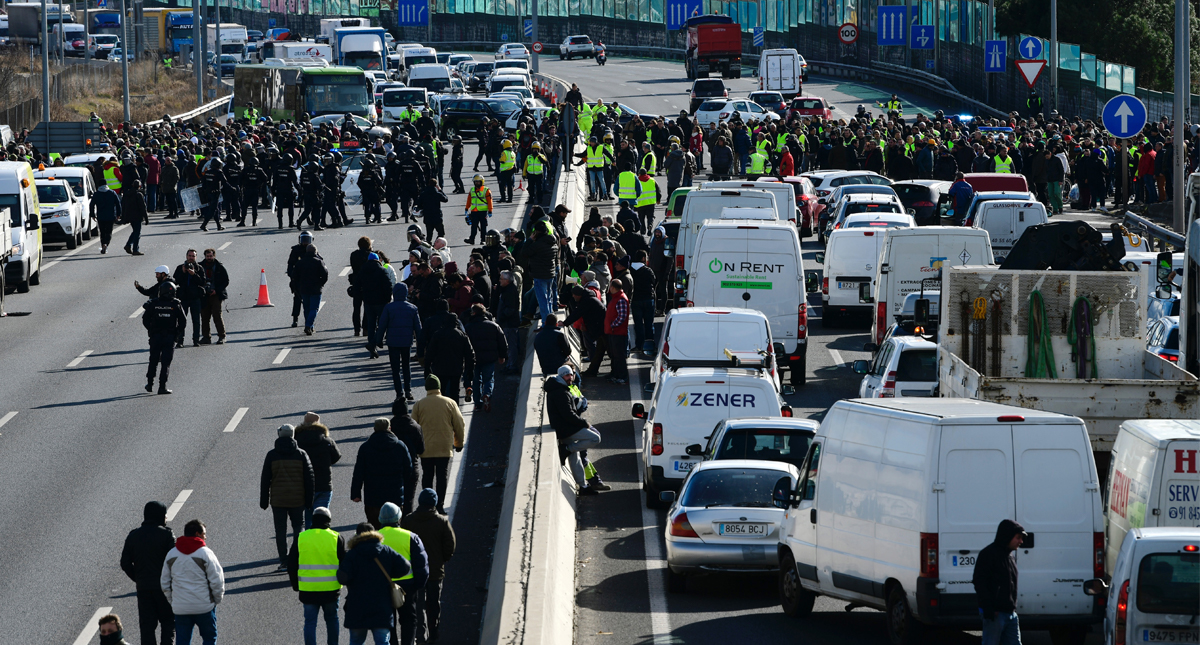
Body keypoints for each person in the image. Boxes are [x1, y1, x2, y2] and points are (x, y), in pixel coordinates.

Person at [338, 523, 412, 645]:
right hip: (382, 606)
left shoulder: (352, 554)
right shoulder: (386, 551)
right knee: (382, 641)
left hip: (357, 606)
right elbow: (405, 567)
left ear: (357, 535)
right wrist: (389, 574)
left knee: (356, 641)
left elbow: (342, 578)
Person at [400, 489, 454, 643]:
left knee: (418, 605)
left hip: (415, 571)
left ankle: (420, 635)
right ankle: (434, 632)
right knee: (433, 604)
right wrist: (442, 560)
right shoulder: (442, 522)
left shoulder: (409, 520)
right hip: (435, 571)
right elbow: (450, 545)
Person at [288, 506, 347, 645]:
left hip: (308, 589)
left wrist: (296, 585)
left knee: (310, 622)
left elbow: (291, 564)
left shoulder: (301, 537)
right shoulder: (336, 537)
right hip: (331, 590)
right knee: (332, 620)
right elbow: (345, 565)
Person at [161, 519, 225, 645]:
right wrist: (216, 600)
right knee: (209, 638)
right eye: (204, 534)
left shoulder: (172, 554)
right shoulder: (205, 553)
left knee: (182, 641)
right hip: (204, 606)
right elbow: (217, 580)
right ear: (198, 534)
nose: (205, 537)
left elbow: (165, 582)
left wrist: (173, 601)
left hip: (181, 608)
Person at [120, 501, 175, 645]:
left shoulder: (134, 535)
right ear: (160, 516)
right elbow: (175, 562)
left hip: (144, 588)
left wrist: (138, 578)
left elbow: (125, 563)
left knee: (147, 628)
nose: (166, 518)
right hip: (164, 588)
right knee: (168, 623)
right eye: (165, 515)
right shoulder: (167, 535)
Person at [261, 423, 315, 570]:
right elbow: (309, 479)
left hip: (278, 500)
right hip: (298, 499)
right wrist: (309, 501)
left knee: (280, 530)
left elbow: (265, 479)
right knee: (299, 527)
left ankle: (284, 561)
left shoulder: (272, 455)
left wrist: (264, 500)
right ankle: (297, 556)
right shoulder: (301, 454)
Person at [377, 502, 430, 645]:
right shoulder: (410, 537)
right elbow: (421, 565)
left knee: (389, 621)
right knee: (409, 620)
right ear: (399, 518)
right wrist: (418, 585)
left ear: (381, 519)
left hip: (383, 585)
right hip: (408, 585)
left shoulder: (375, 538)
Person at [411, 375, 465, 515]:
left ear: (427, 388)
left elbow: (413, 427)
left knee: (427, 476)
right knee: (442, 476)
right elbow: (459, 424)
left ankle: (427, 505)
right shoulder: (450, 403)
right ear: (439, 387)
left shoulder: (419, 404)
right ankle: (440, 504)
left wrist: (415, 448)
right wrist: (458, 443)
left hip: (426, 448)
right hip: (444, 447)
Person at [544, 366, 602, 495]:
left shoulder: (559, 387)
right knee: (595, 438)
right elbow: (568, 414)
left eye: (570, 375)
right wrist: (584, 423)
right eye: (566, 376)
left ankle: (583, 486)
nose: (569, 378)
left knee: (574, 457)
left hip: (564, 426)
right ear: (561, 377)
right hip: (566, 428)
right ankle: (566, 449)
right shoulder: (560, 392)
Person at [351, 418, 415, 529]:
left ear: (374, 429)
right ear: (389, 428)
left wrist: (356, 493)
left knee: (374, 527)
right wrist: (401, 483)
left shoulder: (365, 447)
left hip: (372, 497)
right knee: (393, 527)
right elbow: (408, 469)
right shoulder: (400, 446)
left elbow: (358, 472)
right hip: (394, 495)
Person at [972, 519, 1028, 645]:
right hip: (995, 614)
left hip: (1010, 613)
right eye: (1018, 537)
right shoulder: (988, 554)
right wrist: (989, 608)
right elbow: (979, 581)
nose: (1021, 541)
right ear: (1007, 536)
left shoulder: (1010, 556)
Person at [376, 283, 422, 401]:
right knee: (406, 366)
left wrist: (378, 340)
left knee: (395, 369)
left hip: (393, 341)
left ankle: (399, 393)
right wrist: (421, 343)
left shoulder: (389, 308)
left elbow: (382, 325)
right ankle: (408, 390)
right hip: (407, 341)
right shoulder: (412, 308)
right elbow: (418, 328)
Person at [295, 412, 342, 530]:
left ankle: (309, 541)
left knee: (308, 517)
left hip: (304, 485)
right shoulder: (326, 440)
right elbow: (336, 456)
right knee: (321, 516)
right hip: (324, 484)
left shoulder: (297, 441)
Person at [142, 281, 187, 395]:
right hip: (169, 337)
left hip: (155, 336)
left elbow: (145, 319)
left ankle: (150, 383)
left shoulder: (153, 303)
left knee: (153, 360)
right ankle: (162, 386)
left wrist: (151, 330)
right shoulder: (175, 304)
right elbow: (183, 321)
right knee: (165, 363)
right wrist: (177, 333)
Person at [464, 303, 507, 412]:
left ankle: (477, 403)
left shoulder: (468, 327)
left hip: (474, 359)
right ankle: (487, 395)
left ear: (473, 313)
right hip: (489, 358)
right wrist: (502, 356)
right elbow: (502, 342)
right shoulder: (493, 326)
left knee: (476, 380)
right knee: (488, 379)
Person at [173, 250, 207, 348]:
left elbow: (202, 282)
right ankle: (180, 341)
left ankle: (196, 340)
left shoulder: (199, 268)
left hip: (195, 298)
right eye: (189, 256)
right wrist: (183, 272)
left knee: (196, 320)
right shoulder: (180, 267)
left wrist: (193, 274)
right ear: (186, 256)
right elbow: (175, 281)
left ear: (196, 257)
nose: (191, 257)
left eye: (193, 256)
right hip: (183, 298)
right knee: (181, 320)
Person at [295, 243, 329, 335]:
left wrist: (299, 285)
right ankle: (309, 325)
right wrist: (321, 284)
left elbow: (295, 275)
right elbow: (325, 274)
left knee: (306, 308)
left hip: (304, 289)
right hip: (316, 289)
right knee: (314, 308)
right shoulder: (319, 262)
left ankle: (310, 326)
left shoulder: (300, 262)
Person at [198, 248, 230, 345]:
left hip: (216, 295)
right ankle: (206, 337)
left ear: (214, 256)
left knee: (217, 315)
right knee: (204, 316)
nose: (209, 258)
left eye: (211, 256)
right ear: (205, 256)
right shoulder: (200, 266)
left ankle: (222, 336)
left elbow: (226, 281)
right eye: (207, 256)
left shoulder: (219, 267)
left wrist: (216, 290)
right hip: (204, 295)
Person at [603, 279, 630, 384]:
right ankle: (614, 374)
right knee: (614, 355)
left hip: (617, 333)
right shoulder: (616, 297)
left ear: (613, 287)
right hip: (612, 332)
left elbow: (622, 317)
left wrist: (612, 325)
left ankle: (622, 376)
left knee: (619, 356)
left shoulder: (621, 299)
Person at [91, 182, 122, 254]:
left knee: (102, 232)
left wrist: (92, 215)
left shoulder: (97, 194)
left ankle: (103, 244)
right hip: (110, 216)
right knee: (109, 232)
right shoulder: (112, 193)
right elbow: (118, 204)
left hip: (100, 216)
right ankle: (106, 244)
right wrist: (118, 214)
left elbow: (91, 204)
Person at [463, 174, 493, 245]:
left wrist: (490, 210)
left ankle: (483, 240)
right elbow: (469, 200)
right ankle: (471, 239)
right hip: (474, 211)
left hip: (483, 212)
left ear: (481, 182)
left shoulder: (486, 190)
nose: (477, 183)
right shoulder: (472, 190)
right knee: (474, 226)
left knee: (483, 226)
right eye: (475, 182)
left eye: (478, 182)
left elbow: (490, 201)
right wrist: (466, 208)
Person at [122, 178, 149, 255]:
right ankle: (134, 249)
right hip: (137, 216)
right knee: (137, 233)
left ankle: (129, 245)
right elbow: (143, 207)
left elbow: (124, 206)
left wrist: (124, 217)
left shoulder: (127, 194)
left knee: (135, 231)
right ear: (139, 186)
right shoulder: (139, 195)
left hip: (129, 216)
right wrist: (146, 218)